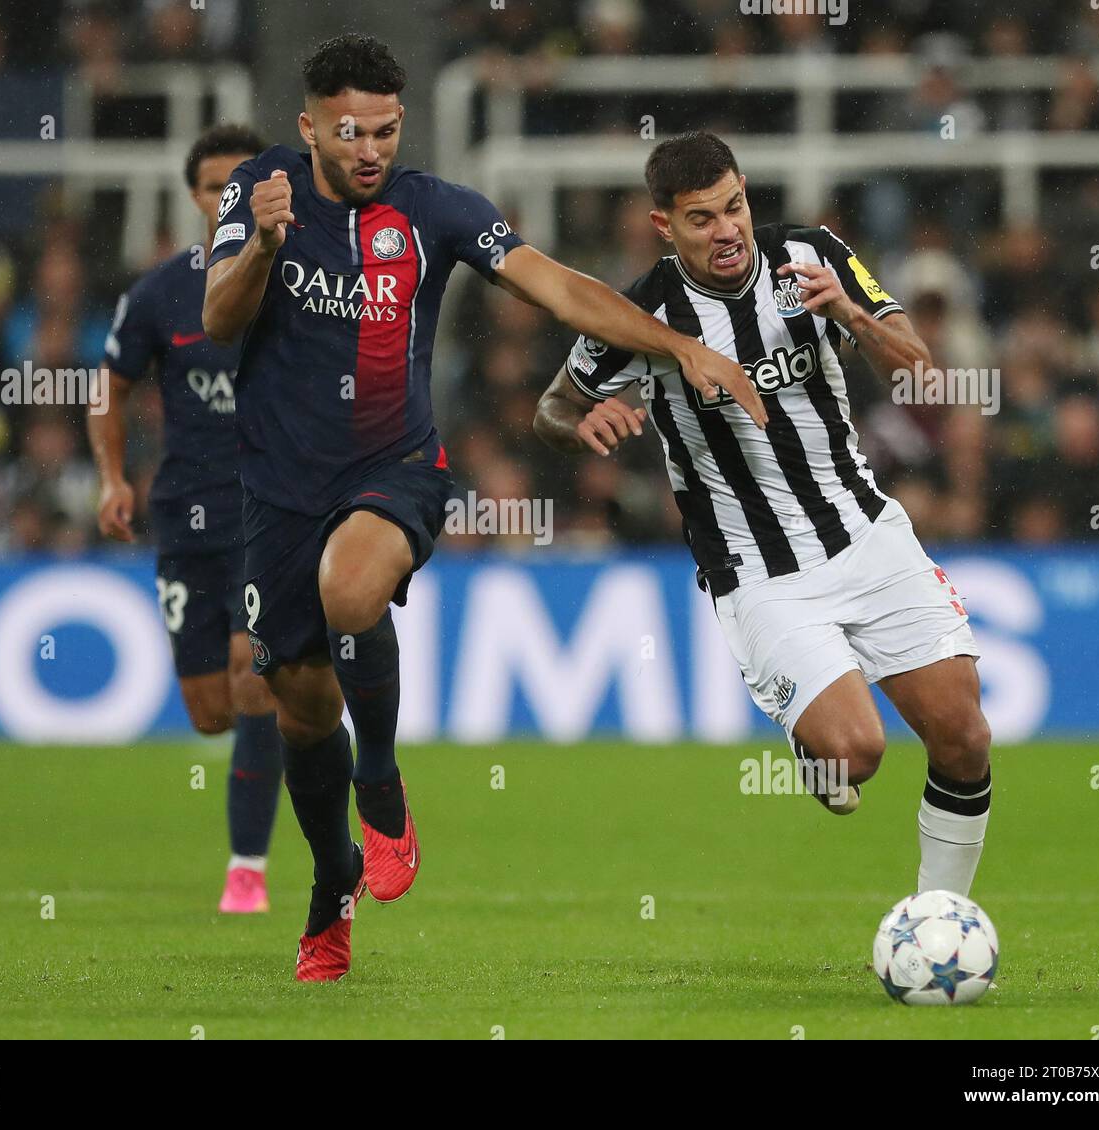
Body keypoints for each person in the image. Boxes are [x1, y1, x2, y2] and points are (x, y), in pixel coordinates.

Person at [203, 37, 765, 981]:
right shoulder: (262, 191)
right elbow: (220, 320)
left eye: (386, 128)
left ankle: (380, 780)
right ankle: (331, 876)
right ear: (309, 129)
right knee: (300, 709)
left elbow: (559, 287)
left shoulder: (435, 210)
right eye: (350, 132)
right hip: (277, 490)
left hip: (396, 467)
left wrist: (679, 347)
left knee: (352, 590)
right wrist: (262, 243)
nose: (371, 147)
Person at [534, 131, 993, 901]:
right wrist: (581, 422)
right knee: (854, 754)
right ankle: (815, 746)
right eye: (703, 218)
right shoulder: (643, 311)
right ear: (664, 227)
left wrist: (851, 312)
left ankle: (940, 917)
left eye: (736, 206)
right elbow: (553, 403)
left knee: (965, 738)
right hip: (758, 567)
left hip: (865, 529)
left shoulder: (812, 255)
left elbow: (922, 374)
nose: (728, 230)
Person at [88, 124, 286, 915]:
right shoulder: (161, 293)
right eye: (213, 184)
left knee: (252, 678)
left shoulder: (294, 278)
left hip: (268, 508)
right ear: (197, 196)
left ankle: (248, 870)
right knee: (210, 710)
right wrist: (110, 478)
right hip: (183, 515)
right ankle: (303, 714)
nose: (226, 194)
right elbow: (112, 386)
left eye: (241, 179)